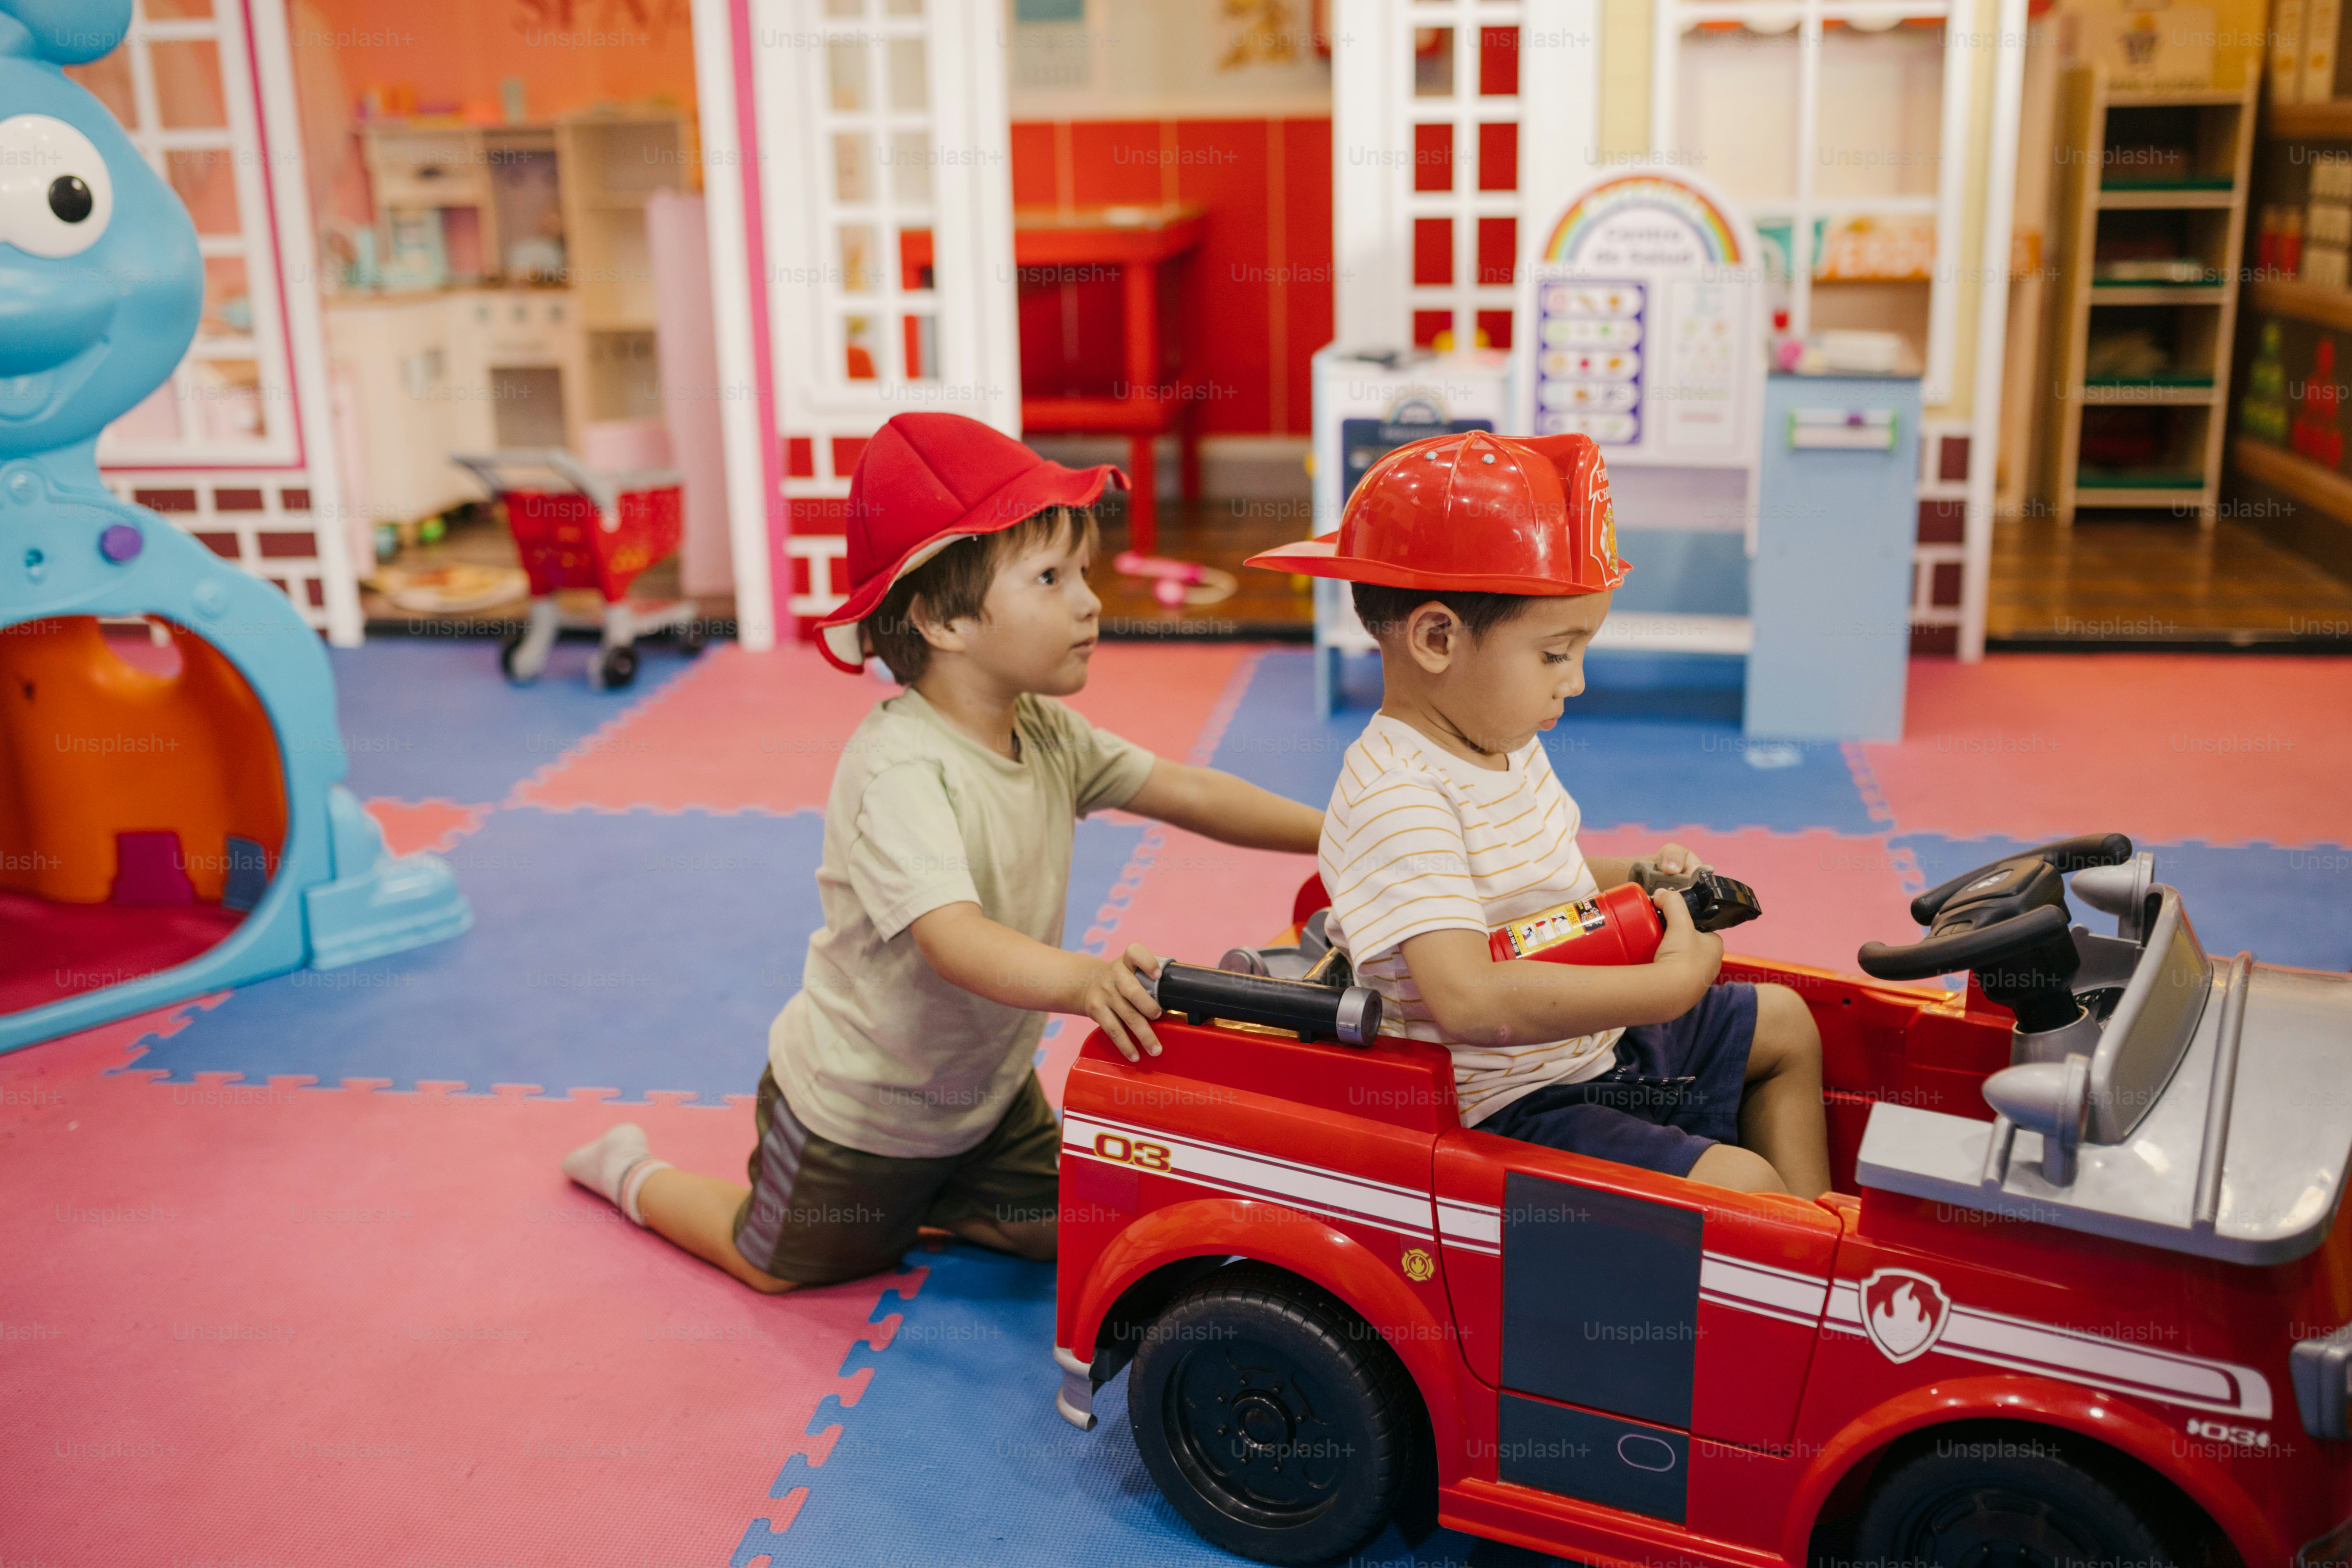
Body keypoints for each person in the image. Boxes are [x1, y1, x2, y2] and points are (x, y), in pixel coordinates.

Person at [561, 414, 1324, 1290]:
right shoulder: (899, 769)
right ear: (939, 617)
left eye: (1081, 570)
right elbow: (951, 938)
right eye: (1048, 577)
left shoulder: (1042, 729)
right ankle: (629, 1171)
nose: (1088, 599)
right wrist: (1083, 980)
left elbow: (1185, 789)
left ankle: (950, 1196)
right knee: (772, 1264)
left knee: (1072, 1232)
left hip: (986, 1100)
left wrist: (1333, 831)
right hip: (861, 1112)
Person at [1245, 430, 1830, 1199]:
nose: (1576, 681)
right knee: (1744, 1187)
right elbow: (1467, 999)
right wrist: (1663, 991)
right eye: (1556, 654)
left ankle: (1825, 1252)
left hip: (1586, 1041)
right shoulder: (1398, 795)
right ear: (1434, 638)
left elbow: (1541, 873)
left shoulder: (1501, 739)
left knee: (1786, 1022)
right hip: (1507, 1101)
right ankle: (1793, 1289)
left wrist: (1642, 879)